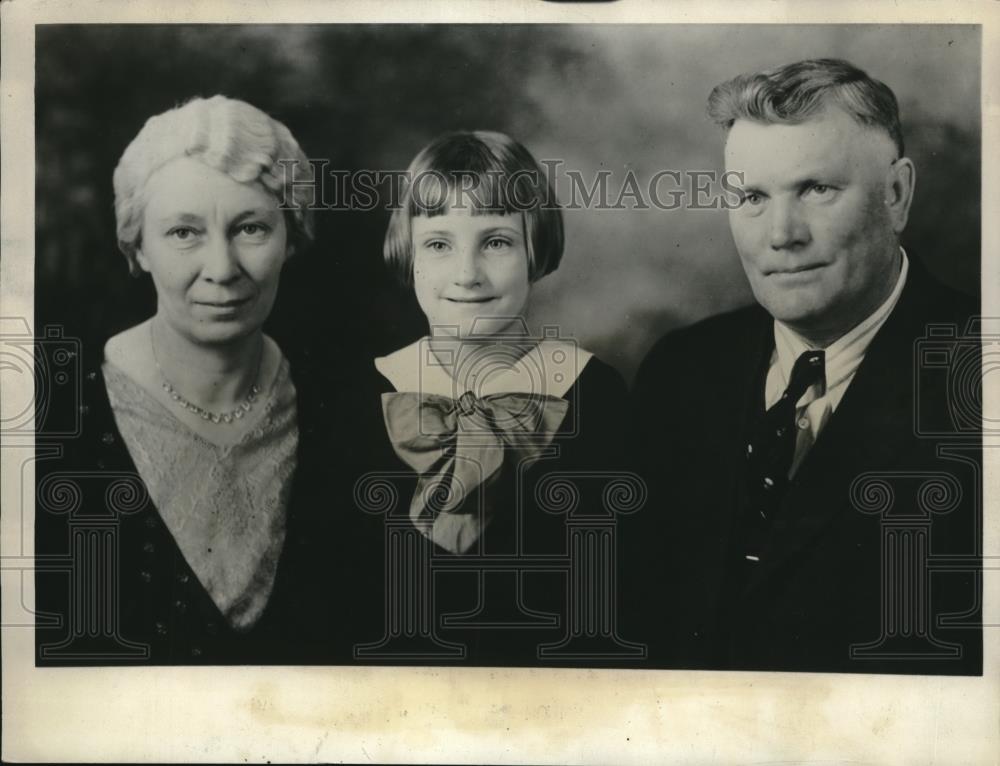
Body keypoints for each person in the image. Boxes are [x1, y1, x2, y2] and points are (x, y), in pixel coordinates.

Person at [631, 59, 982, 674]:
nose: (781, 234)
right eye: (752, 198)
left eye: (817, 189)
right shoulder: (680, 373)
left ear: (895, 195)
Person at [35, 96, 330, 664]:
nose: (221, 268)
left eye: (250, 228)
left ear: (291, 238)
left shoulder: (342, 410)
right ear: (137, 245)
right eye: (184, 233)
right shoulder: (53, 421)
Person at [330, 131, 639, 665]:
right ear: (409, 254)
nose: (467, 274)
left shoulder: (598, 396)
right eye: (439, 244)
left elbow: (628, 592)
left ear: (535, 249)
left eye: (495, 241)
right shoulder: (361, 398)